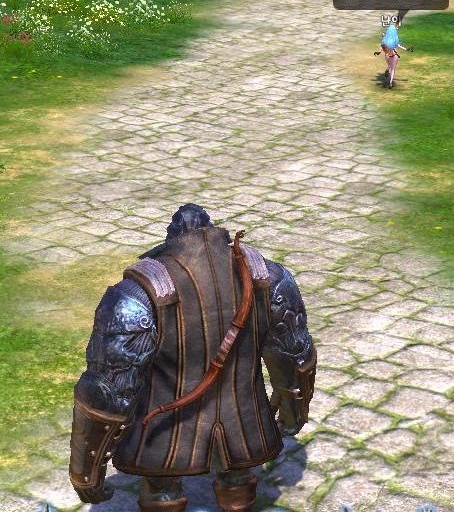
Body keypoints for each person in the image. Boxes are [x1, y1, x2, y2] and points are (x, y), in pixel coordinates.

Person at [69, 203, 317, 511]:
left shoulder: (137, 294)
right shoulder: (268, 277)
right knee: (238, 474)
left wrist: (85, 473)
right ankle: (236, 489)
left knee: (161, 489)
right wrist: (293, 415)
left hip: (163, 437)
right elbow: (295, 356)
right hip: (245, 424)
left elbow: (107, 392)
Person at [374, 22, 413, 88]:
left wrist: (378, 52)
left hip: (387, 56)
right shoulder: (394, 40)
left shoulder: (385, 42)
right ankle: (391, 82)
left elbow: (381, 49)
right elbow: (400, 46)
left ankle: (388, 70)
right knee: (393, 69)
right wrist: (407, 49)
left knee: (390, 65)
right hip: (394, 56)